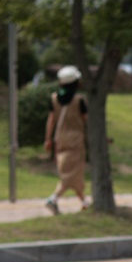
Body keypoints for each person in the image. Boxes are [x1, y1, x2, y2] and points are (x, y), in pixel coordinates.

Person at [43, 65, 89, 214]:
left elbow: (50, 121)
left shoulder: (54, 98)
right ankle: (54, 198)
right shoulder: (79, 100)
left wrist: (48, 139)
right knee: (72, 173)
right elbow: (87, 120)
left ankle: (84, 202)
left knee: (71, 172)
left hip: (60, 139)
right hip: (76, 140)